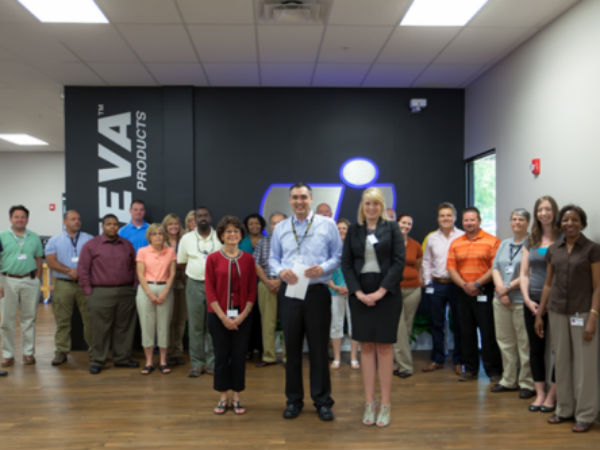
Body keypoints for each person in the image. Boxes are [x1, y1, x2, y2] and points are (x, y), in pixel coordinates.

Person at [269, 183, 342, 421]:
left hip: (317, 291)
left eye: (303, 197)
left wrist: (323, 267)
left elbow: (338, 256)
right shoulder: (281, 227)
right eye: (294, 197)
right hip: (290, 291)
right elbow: (273, 258)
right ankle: (293, 400)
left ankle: (323, 401)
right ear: (290, 200)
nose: (299, 201)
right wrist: (281, 271)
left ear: (311, 198)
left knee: (319, 349)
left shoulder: (327, 224)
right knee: (292, 349)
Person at [342, 187, 404, 428]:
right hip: (360, 294)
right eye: (367, 203)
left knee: (385, 348)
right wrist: (358, 292)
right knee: (366, 347)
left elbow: (398, 262)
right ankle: (369, 403)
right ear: (362, 206)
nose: (371, 207)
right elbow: (346, 264)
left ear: (382, 206)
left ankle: (385, 404)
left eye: (376, 203)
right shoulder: (354, 230)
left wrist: (380, 291)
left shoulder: (392, 228)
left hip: (386, 294)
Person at [535, 205, 600, 433]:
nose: (569, 223)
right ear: (560, 223)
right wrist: (540, 314)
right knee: (561, 362)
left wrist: (593, 316)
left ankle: (585, 414)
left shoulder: (592, 249)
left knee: (585, 366)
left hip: (583, 312)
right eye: (565, 219)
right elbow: (548, 284)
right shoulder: (554, 249)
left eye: (574, 219)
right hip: (557, 312)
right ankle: (564, 409)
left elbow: (598, 286)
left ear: (582, 223)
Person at [205, 216, 257, 415]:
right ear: (221, 235)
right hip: (218, 316)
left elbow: (252, 290)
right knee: (221, 357)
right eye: (228, 231)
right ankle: (222, 397)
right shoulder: (212, 259)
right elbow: (210, 291)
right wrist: (223, 317)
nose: (232, 235)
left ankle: (236, 396)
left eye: (236, 231)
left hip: (243, 317)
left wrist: (242, 316)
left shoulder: (248, 259)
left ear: (241, 235)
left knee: (238, 357)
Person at [78, 214, 138, 374]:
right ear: (102, 226)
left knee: (124, 327)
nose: (112, 227)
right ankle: (97, 360)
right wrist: (88, 291)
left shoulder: (127, 245)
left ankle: (122, 358)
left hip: (125, 292)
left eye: (115, 224)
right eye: (109, 224)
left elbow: (135, 267)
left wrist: (134, 287)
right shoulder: (91, 245)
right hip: (100, 292)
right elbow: (83, 270)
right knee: (100, 328)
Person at [447, 207, 502, 382]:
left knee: (488, 332)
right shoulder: (456, 243)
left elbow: (495, 268)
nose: (469, 223)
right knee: (466, 332)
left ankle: (493, 371)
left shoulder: (492, 241)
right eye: (466, 220)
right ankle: (470, 369)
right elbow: (451, 269)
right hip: (463, 292)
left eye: (472, 220)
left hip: (484, 291)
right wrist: (465, 285)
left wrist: (477, 284)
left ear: (479, 221)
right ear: (462, 222)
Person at [520, 196, 559, 412]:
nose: (544, 213)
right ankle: (540, 393)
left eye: (548, 209)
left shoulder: (562, 238)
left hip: (557, 302)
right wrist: (527, 299)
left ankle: (552, 395)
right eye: (540, 209)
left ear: (554, 211)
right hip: (532, 302)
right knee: (535, 349)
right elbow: (524, 273)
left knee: (558, 349)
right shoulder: (531, 240)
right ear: (536, 213)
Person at [490, 209, 534, 398]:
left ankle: (527, 383)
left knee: (524, 343)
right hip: (501, 300)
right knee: (505, 342)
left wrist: (506, 289)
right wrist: (501, 290)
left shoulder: (533, 243)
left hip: (520, 300)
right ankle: (508, 380)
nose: (517, 222)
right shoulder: (504, 243)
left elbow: (529, 272)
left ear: (528, 223)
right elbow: (495, 268)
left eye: (521, 219)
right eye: (514, 219)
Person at [177, 207, 222, 377]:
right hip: (194, 284)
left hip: (215, 286)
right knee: (195, 326)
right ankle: (197, 364)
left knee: (213, 326)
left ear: (210, 217)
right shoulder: (186, 238)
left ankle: (212, 363)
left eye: (205, 215)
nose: (203, 218)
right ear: (195, 219)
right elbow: (181, 263)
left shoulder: (219, 236)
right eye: (199, 216)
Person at [45, 210, 93, 366]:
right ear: (64, 221)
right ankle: (61, 351)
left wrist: (81, 272)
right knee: (62, 320)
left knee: (90, 319)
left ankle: (94, 351)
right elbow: (51, 261)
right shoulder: (54, 240)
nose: (77, 221)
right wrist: (68, 271)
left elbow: (96, 259)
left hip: (85, 283)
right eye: (73, 219)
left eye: (78, 219)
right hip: (63, 283)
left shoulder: (89, 239)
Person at [422, 202, 464, 375]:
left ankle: (459, 361)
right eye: (442, 215)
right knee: (436, 323)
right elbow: (426, 261)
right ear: (438, 218)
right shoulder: (432, 238)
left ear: (454, 217)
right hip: (437, 284)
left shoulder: (462, 236)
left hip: (457, 285)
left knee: (459, 323)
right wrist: (427, 281)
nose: (445, 218)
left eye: (449, 215)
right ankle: (437, 359)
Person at [0, 205, 43, 367]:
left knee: (29, 319)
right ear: (10, 219)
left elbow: (38, 259)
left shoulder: (34, 237)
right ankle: (8, 354)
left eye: (23, 217)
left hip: (30, 281)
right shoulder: (1, 236)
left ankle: (28, 353)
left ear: (27, 219)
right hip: (7, 280)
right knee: (7, 320)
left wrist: (37, 279)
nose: (20, 219)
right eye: (16, 217)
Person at [136, 224, 176, 375]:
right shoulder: (142, 251)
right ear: (149, 237)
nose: (158, 236)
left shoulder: (170, 251)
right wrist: (150, 294)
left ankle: (163, 361)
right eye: (154, 234)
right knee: (147, 326)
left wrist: (165, 292)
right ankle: (148, 362)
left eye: (160, 233)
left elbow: (172, 274)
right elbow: (140, 274)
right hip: (146, 290)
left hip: (165, 289)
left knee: (164, 326)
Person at [254, 212, 286, 367]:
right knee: (267, 322)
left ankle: (288, 357)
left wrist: (280, 280)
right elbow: (256, 264)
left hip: (287, 284)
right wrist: (267, 281)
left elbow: (296, 264)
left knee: (289, 322)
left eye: (280, 222)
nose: (276, 225)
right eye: (273, 223)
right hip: (265, 284)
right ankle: (269, 357)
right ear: (270, 226)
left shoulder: (294, 242)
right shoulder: (263, 242)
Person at [393, 214, 422, 378]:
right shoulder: (389, 243)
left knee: (407, 327)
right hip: (395, 290)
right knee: (399, 329)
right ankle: (406, 367)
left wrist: (420, 280)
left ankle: (397, 364)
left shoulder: (415, 245)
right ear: (397, 223)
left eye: (409, 224)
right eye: (403, 222)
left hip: (413, 290)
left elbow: (418, 265)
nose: (406, 226)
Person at [329, 218, 359, 370]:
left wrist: (351, 287)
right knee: (336, 324)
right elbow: (325, 271)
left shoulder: (356, 248)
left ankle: (353, 358)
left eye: (344, 228)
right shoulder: (330, 249)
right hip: (334, 292)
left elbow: (359, 270)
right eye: (339, 228)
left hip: (353, 292)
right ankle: (337, 358)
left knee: (355, 324)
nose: (341, 231)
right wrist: (335, 286)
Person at [238, 213, 265, 361]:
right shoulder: (241, 242)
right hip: (246, 283)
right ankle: (247, 348)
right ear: (246, 226)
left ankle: (260, 349)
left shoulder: (267, 240)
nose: (255, 226)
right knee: (247, 316)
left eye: (257, 223)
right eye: (251, 224)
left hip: (264, 282)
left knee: (261, 316)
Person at [162, 213, 187, 366]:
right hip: (166, 284)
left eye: (176, 223)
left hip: (183, 283)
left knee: (180, 319)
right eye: (170, 224)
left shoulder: (185, 240)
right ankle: (168, 351)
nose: (173, 226)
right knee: (168, 319)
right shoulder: (161, 241)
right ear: (165, 227)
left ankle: (178, 351)